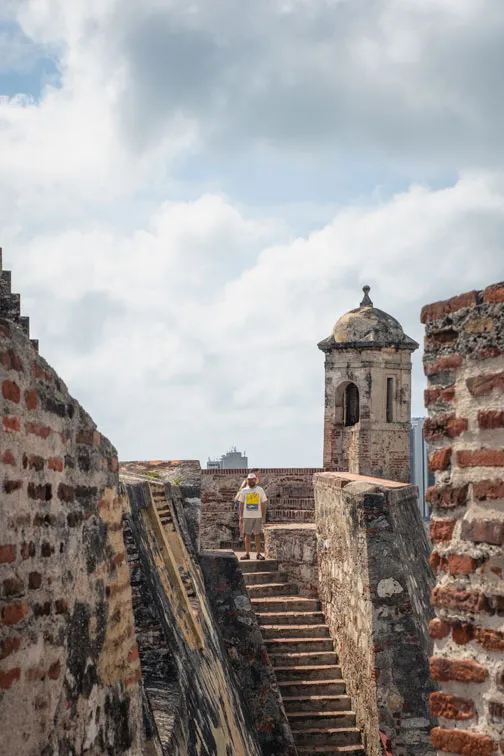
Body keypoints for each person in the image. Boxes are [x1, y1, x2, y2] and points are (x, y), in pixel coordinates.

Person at [238, 472, 267, 560]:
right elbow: (241, 504)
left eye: (253, 479)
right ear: (248, 481)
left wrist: (263, 515)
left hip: (257, 516)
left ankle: (258, 554)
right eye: (249, 480)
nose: (251, 481)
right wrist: (241, 515)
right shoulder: (244, 491)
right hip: (247, 516)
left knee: (257, 535)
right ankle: (247, 553)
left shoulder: (260, 490)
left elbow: (263, 503)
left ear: (255, 480)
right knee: (247, 535)